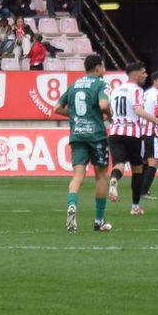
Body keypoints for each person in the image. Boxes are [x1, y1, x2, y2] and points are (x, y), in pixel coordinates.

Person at [57, 54, 112, 233]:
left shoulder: (74, 85)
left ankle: (72, 205)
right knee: (101, 176)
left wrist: (74, 114)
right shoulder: (101, 84)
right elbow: (103, 105)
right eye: (103, 66)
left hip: (77, 135)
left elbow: (57, 108)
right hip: (96, 135)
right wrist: (109, 114)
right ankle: (99, 221)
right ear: (97, 68)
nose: (104, 70)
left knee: (78, 176)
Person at [105, 61, 148, 216]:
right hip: (132, 132)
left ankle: (114, 179)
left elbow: (109, 111)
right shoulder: (137, 90)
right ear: (135, 74)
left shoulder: (115, 90)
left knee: (119, 164)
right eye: (143, 72)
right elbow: (139, 111)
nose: (146, 75)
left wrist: (113, 119)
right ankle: (135, 207)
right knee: (137, 168)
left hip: (114, 132)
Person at [134, 69, 158, 201]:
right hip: (150, 132)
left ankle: (140, 190)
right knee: (153, 163)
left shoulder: (145, 93)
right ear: (155, 81)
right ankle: (143, 192)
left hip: (140, 131)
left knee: (145, 162)